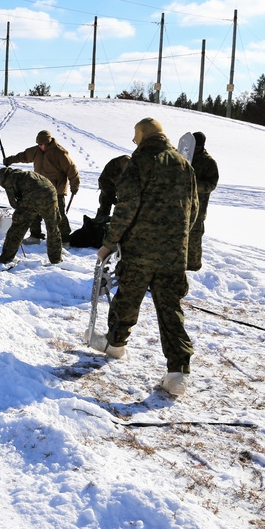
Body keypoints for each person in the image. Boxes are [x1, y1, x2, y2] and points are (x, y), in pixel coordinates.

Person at [95, 117, 198, 397]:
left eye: (135, 135)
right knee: (170, 310)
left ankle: (115, 344)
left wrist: (108, 244)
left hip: (139, 251)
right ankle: (178, 373)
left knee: (127, 298)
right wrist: (178, 240)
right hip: (173, 252)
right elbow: (193, 210)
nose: (133, 142)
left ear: (142, 136)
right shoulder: (183, 164)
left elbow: (125, 208)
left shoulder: (138, 163)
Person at [3, 129, 80, 245]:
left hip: (56, 190)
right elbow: (23, 156)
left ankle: (65, 239)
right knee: (33, 212)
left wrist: (74, 186)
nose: (40, 146)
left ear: (48, 142)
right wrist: (10, 160)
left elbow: (72, 169)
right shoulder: (36, 150)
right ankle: (35, 236)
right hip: (38, 188)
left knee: (58, 215)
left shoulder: (60, 153)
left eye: (42, 144)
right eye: (38, 144)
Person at [0, 167, 63, 265]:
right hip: (51, 191)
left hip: (34, 195)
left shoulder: (8, 180)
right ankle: (56, 260)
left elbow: (14, 203)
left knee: (18, 227)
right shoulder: (23, 174)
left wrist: (21, 207)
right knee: (53, 227)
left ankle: (5, 258)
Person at [188, 132, 219, 271]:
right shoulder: (183, 155)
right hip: (179, 205)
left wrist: (194, 184)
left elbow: (211, 185)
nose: (194, 149)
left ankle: (193, 268)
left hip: (198, 208)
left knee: (194, 240)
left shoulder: (209, 162)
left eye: (197, 147)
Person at [94, 154, 131, 221]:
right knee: (105, 206)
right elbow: (103, 181)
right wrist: (109, 195)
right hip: (108, 186)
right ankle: (98, 224)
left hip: (123, 187)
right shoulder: (111, 166)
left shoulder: (132, 166)